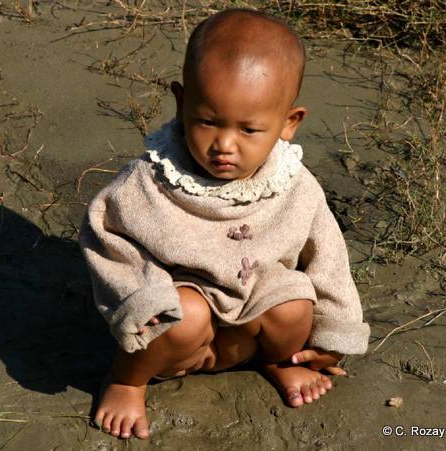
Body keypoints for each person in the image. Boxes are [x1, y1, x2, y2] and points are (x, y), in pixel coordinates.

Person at [79, 8, 370, 440]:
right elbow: (108, 238)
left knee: (293, 305)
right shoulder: (150, 181)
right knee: (187, 315)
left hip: (249, 327)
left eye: (250, 129)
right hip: (176, 334)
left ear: (289, 123)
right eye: (207, 121)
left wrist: (334, 333)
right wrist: (142, 298)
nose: (224, 145)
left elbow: (328, 257)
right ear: (181, 103)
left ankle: (277, 361)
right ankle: (127, 380)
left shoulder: (295, 185)